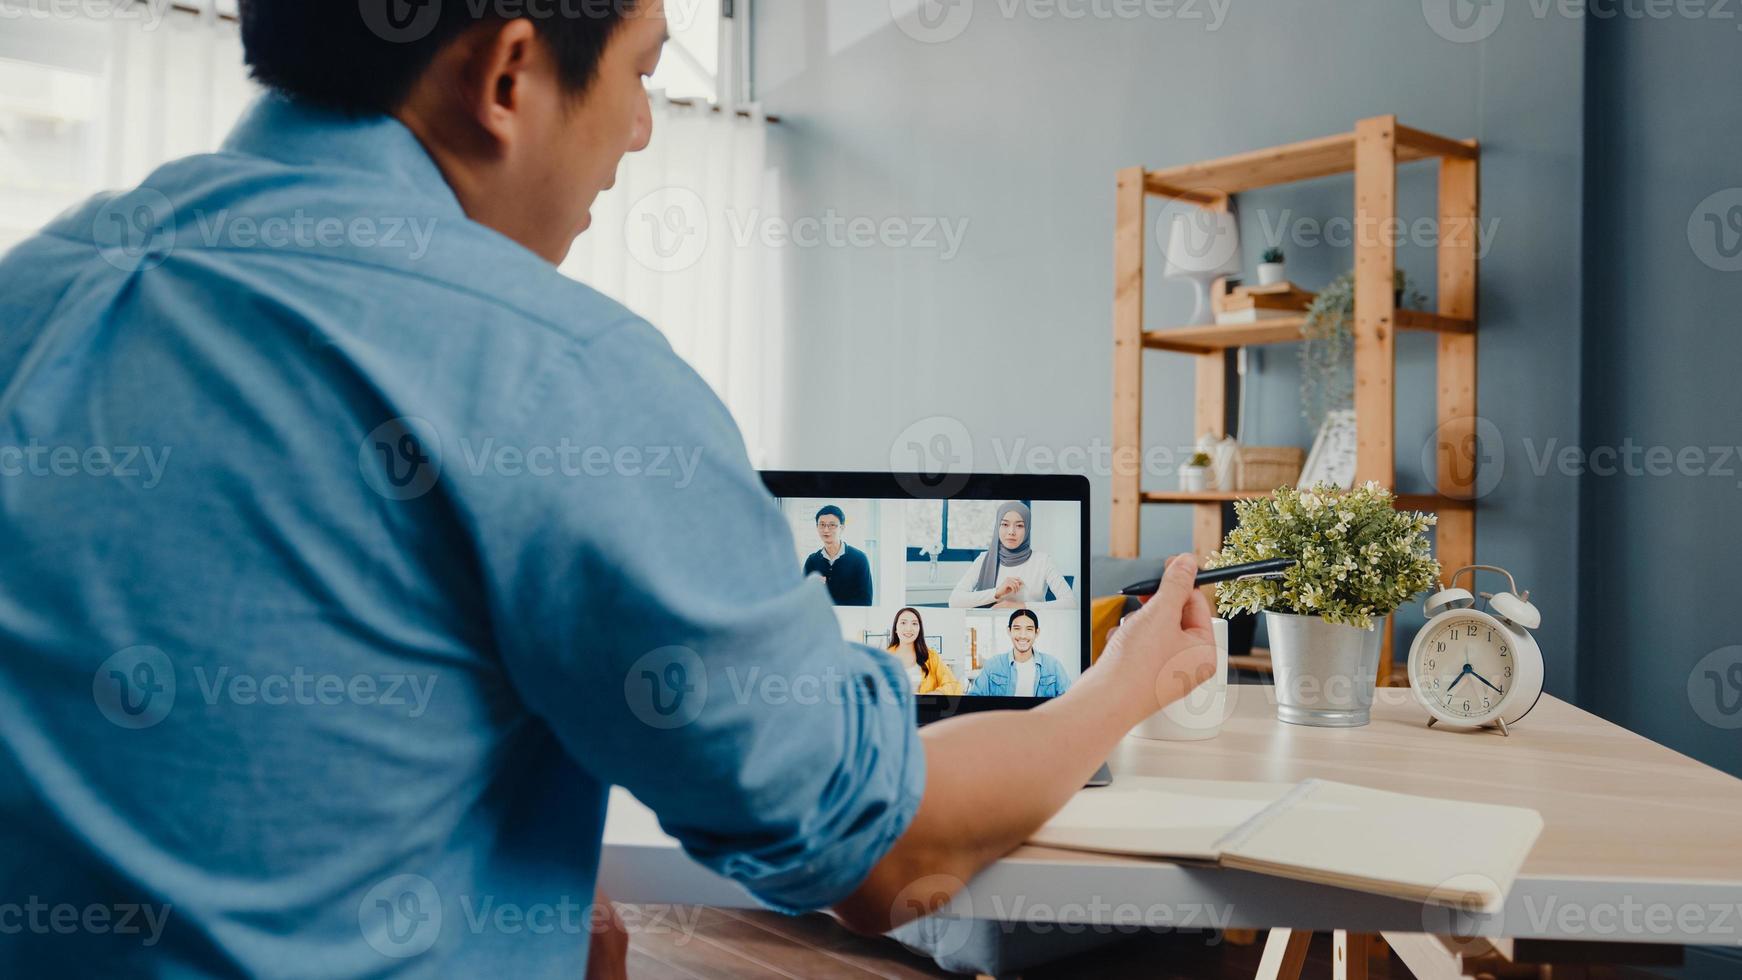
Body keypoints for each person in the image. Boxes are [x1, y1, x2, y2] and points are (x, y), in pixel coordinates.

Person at [0, 1, 1218, 975]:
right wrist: (1126, 683)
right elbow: (884, 859)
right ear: (507, 76)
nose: (642, 128)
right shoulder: (555, 371)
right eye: (642, 71)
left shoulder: (35, 287)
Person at [949, 501, 1078, 609]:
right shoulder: (984, 559)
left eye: (1019, 525)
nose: (1011, 532)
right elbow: (955, 601)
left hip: (1030, 631)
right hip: (989, 629)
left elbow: (1071, 603)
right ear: (997, 527)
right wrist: (997, 592)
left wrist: (1021, 606)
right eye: (1005, 524)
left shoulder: (1042, 561)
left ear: (1027, 529)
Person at [967, 610, 1073, 698]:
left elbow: (1070, 701)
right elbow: (973, 699)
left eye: (1029, 629)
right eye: (1017, 629)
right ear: (1009, 631)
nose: (1023, 635)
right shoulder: (993, 665)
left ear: (1037, 632)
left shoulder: (1053, 665)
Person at [802, 504, 873, 606]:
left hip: (851, 619)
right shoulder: (812, 561)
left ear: (842, 527)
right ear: (817, 527)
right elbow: (804, 597)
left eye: (832, 525)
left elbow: (866, 600)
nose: (826, 530)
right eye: (822, 524)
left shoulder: (859, 558)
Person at [886, 607, 963, 696]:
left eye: (914, 623)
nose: (909, 628)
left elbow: (953, 685)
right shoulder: (884, 657)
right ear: (895, 628)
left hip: (925, 708)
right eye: (903, 623)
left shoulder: (931, 656)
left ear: (919, 629)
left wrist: (935, 694)